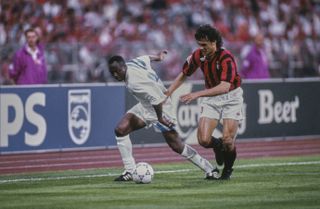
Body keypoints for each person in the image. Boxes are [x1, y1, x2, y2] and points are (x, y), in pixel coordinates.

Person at [107, 50, 219, 181]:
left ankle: (210, 169)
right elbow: (146, 57)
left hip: (162, 106)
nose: (115, 74)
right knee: (120, 130)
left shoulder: (134, 83)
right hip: (147, 105)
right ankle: (130, 170)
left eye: (117, 71)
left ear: (123, 66)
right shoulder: (132, 63)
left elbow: (157, 101)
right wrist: (158, 57)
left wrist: (160, 118)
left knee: (176, 145)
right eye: (112, 72)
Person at [166, 24, 244, 180]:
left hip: (231, 97)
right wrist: (168, 92)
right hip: (211, 97)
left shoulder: (226, 58)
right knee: (203, 140)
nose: (201, 48)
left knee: (228, 139)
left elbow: (224, 87)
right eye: (199, 44)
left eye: (204, 45)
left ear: (214, 42)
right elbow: (184, 74)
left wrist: (197, 94)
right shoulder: (197, 56)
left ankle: (227, 171)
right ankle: (217, 147)